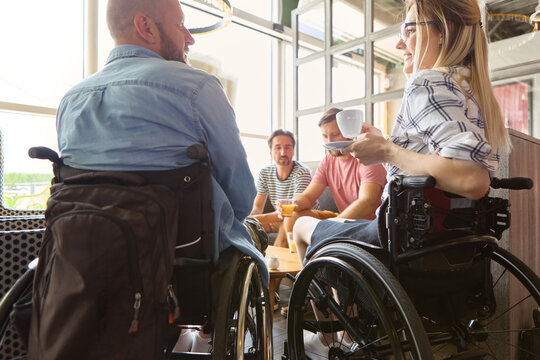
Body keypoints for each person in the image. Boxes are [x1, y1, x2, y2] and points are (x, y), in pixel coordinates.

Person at [28, 0, 266, 358]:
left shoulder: (71, 100)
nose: (190, 39)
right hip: (183, 271)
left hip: (80, 262)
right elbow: (241, 195)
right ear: (146, 26)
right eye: (181, 25)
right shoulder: (197, 88)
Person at [294, 0, 511, 355]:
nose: (399, 44)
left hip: (403, 239)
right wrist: (386, 142)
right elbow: (443, 159)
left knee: (302, 224)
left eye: (409, 29)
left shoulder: (427, 83)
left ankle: (334, 338)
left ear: (441, 32)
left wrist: (388, 152)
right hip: (456, 242)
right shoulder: (473, 91)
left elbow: (472, 179)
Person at [250, 129, 316, 248]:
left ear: (293, 150)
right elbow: (257, 207)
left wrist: (259, 218)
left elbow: (292, 209)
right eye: (277, 148)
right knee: (248, 226)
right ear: (270, 152)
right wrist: (251, 219)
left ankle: (278, 261)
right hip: (279, 216)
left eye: (287, 147)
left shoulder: (302, 172)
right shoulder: (265, 173)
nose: (283, 152)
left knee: (287, 219)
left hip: (303, 216)